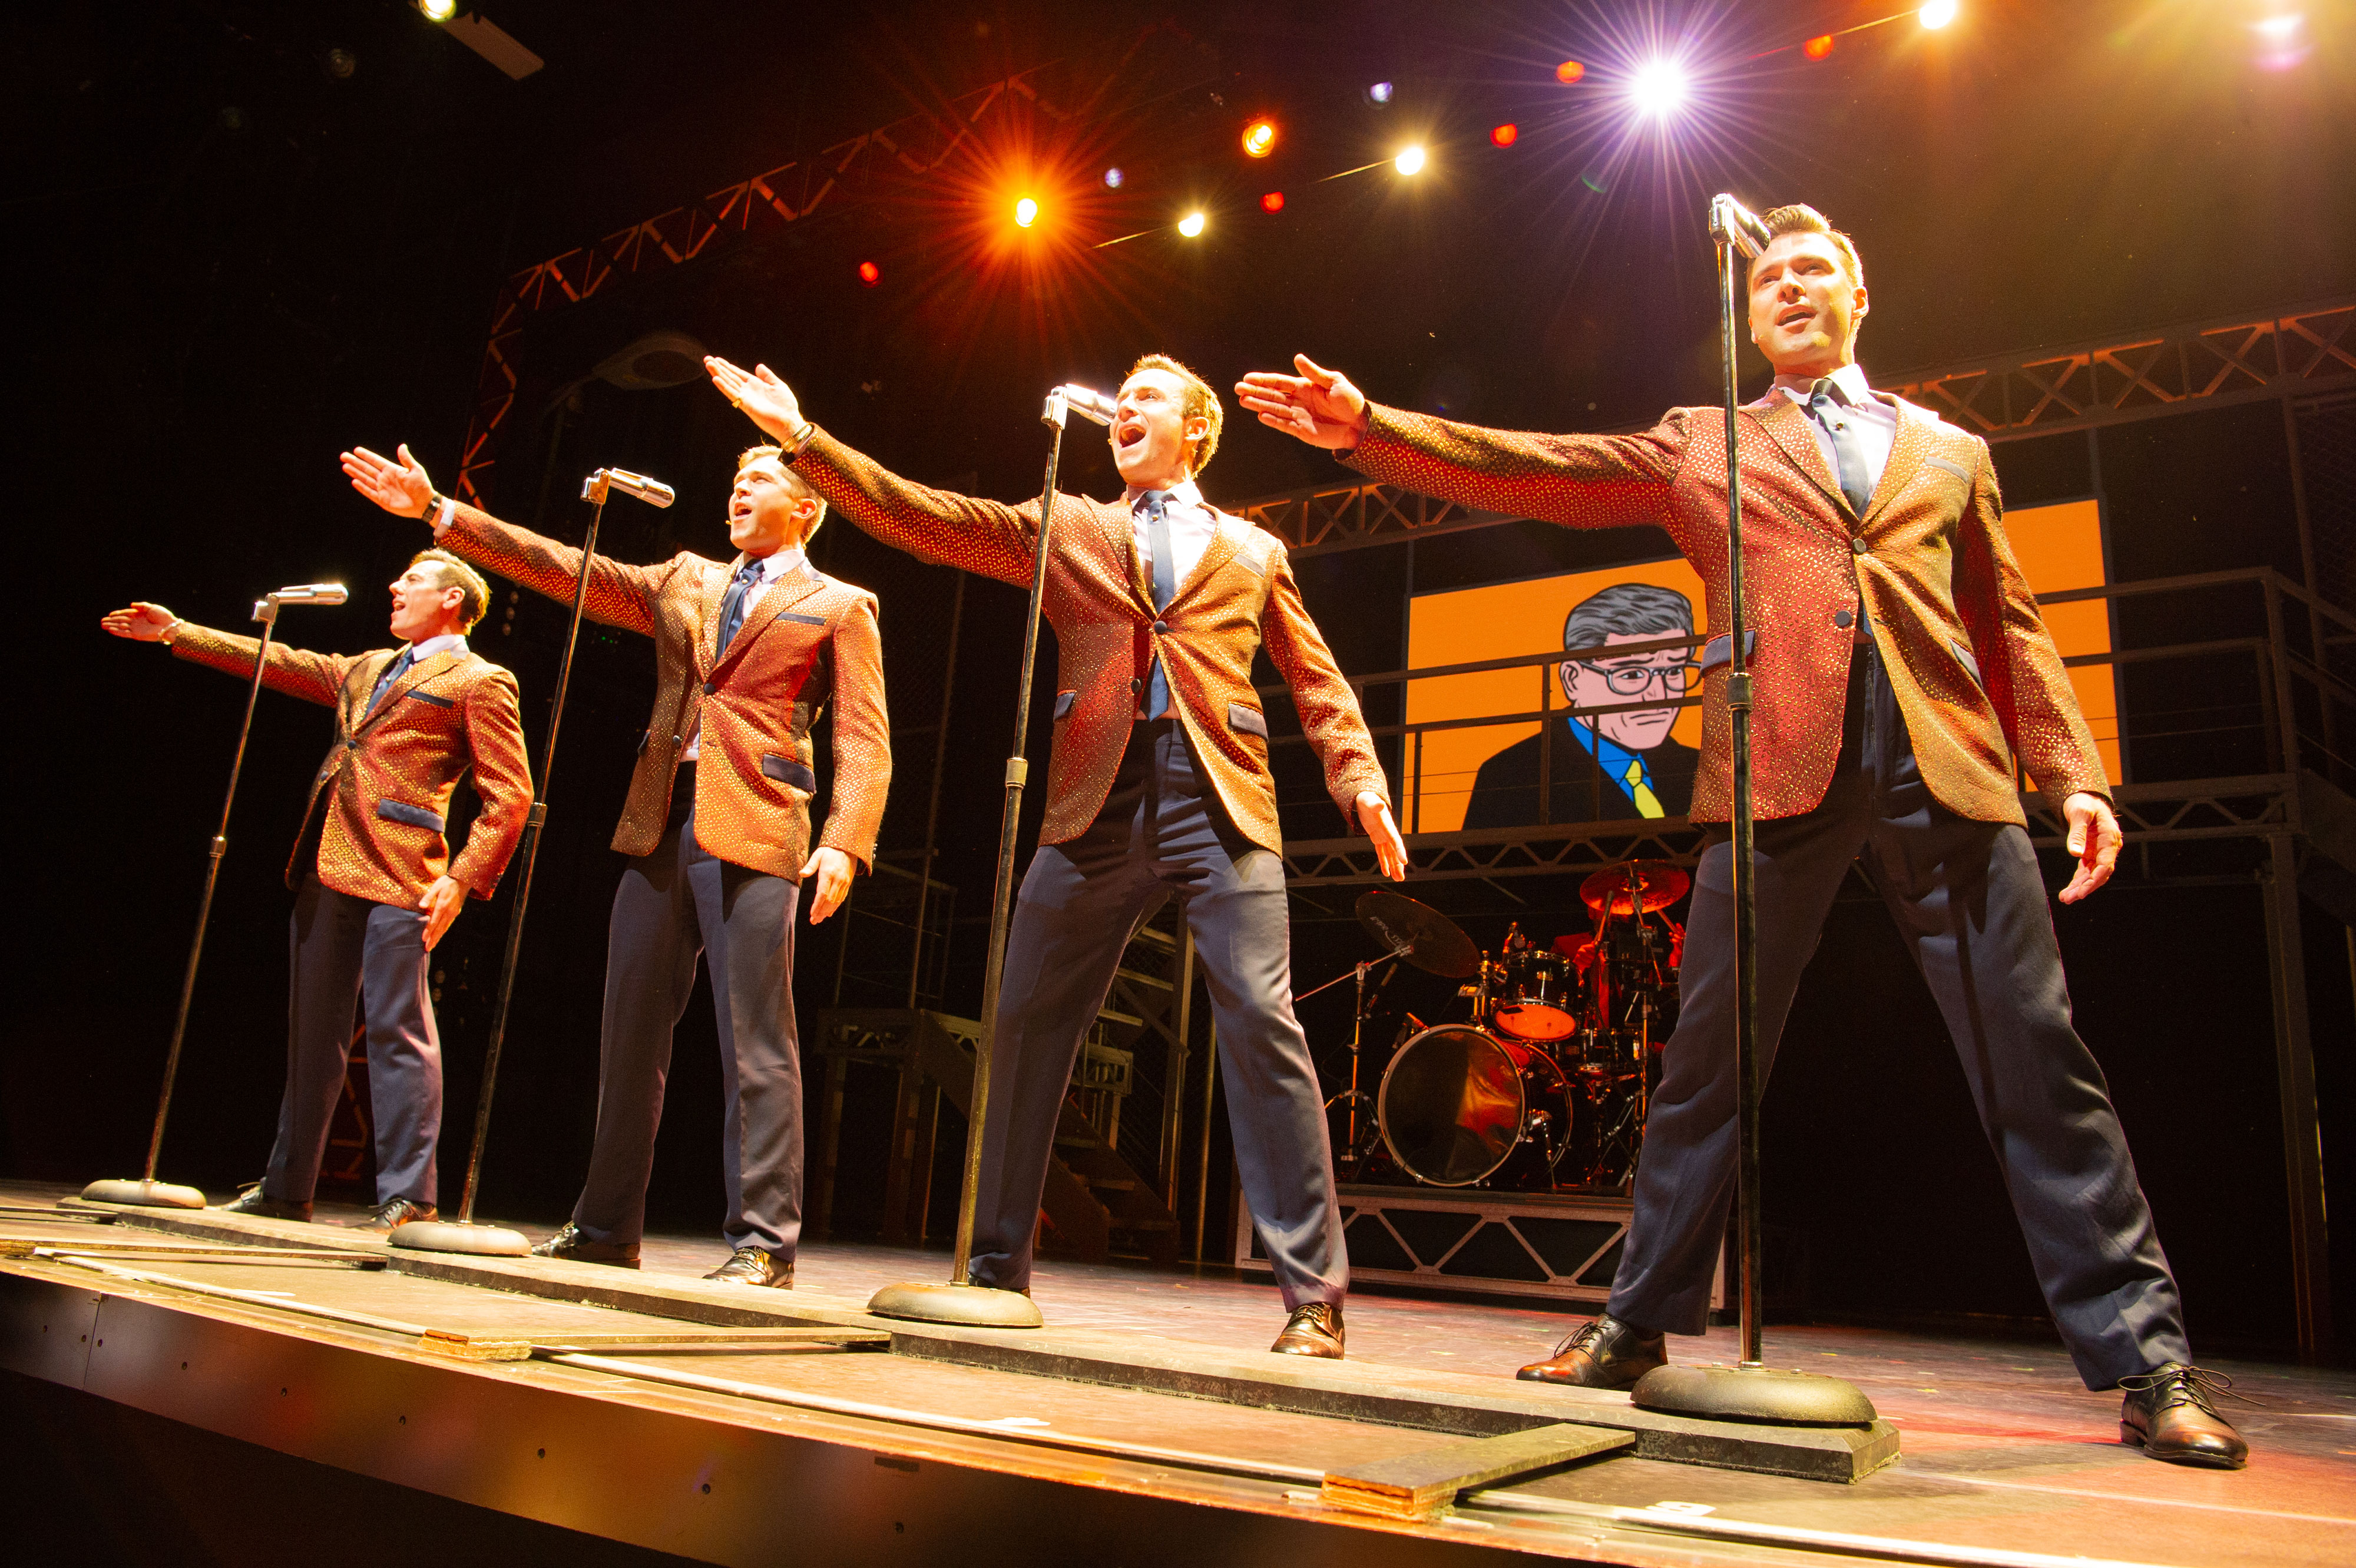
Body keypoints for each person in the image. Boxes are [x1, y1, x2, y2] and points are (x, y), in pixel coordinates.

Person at [1236, 203, 2247, 1466]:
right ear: (1748, 313)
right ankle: (1634, 1322)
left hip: (1945, 762)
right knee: (1707, 1059)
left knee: (2038, 1061)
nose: (1789, 286)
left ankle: (2149, 1361)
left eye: (1814, 269)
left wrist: (2071, 772)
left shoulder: (1949, 452)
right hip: (1773, 763)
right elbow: (1542, 467)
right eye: (1769, 277)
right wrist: (1374, 431)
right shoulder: (1706, 438)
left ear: (1859, 297)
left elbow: (2010, 623)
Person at [707, 351, 1405, 1357]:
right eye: (1122, 398)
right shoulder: (1070, 525)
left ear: (1197, 429)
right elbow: (928, 519)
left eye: (1149, 397)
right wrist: (805, 441)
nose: (1126, 408)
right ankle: (994, 1270)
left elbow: (1319, 677)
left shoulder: (1254, 549)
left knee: (1263, 1020)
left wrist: (1359, 778)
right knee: (1024, 1020)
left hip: (1220, 796)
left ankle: (1314, 1299)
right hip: (1093, 800)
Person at [340, 441, 891, 1289]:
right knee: (629, 1030)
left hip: (759, 819)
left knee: (756, 1039)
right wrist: (440, 512)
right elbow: (567, 568)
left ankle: (763, 1241)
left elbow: (863, 734)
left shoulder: (841, 604)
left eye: (757, 481)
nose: (737, 491)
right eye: (734, 480)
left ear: (807, 507)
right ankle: (605, 1225)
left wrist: (845, 837)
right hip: (659, 817)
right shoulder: (687, 578)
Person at [101, 553, 531, 1233]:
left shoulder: (480, 679)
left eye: (413, 580)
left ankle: (410, 1195)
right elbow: (281, 662)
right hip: (328, 862)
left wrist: (461, 879)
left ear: (453, 599)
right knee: (313, 1035)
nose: (395, 587)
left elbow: (511, 794)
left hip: (405, 873)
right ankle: (286, 1185)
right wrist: (179, 632)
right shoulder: (369, 667)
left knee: (398, 1030)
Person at [1462, 581, 1701, 829]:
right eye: (1631, 675)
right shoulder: (1512, 773)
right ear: (1573, 679)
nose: (1659, 695)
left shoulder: (1695, 765)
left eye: (1674, 671)